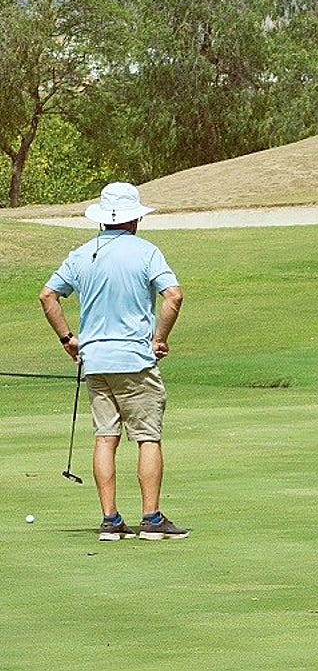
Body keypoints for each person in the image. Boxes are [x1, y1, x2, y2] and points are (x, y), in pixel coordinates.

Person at [39, 182, 188, 539]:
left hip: (95, 362)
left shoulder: (81, 255)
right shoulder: (147, 252)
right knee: (147, 437)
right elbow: (173, 296)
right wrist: (159, 340)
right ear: (135, 218)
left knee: (106, 438)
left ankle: (110, 520)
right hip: (135, 361)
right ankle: (151, 520)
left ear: (103, 220)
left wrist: (68, 339)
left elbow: (47, 296)